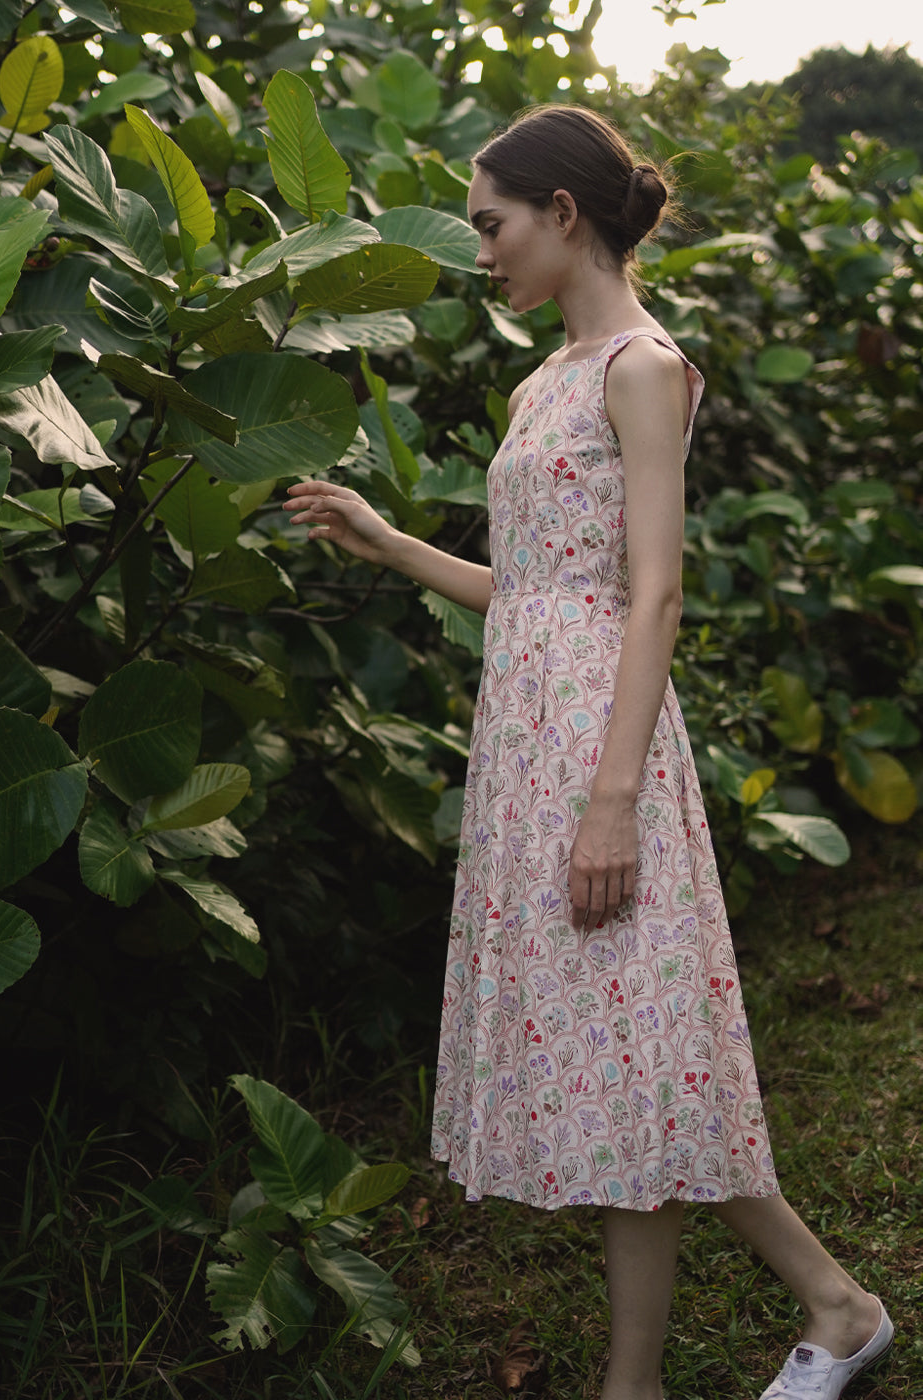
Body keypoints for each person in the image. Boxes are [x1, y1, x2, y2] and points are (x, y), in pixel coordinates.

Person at [284, 105, 893, 1400]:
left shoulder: (637, 365)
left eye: (494, 224)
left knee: (640, 1049)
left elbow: (651, 592)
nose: (482, 252)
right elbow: (535, 587)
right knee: (625, 1056)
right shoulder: (538, 380)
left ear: (562, 214)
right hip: (529, 742)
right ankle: (828, 1309)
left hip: (601, 747)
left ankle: (678, 1368)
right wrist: (388, 543)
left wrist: (611, 800)